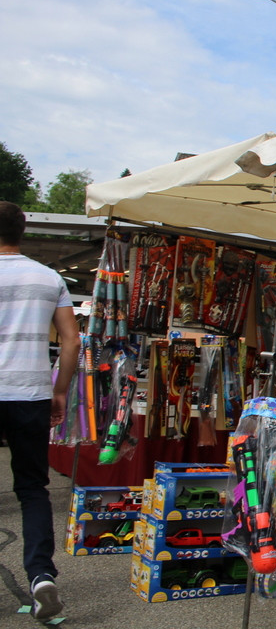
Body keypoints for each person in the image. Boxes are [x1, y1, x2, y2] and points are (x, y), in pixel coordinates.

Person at [0, 202, 79, 621]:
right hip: (29, 392)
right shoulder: (49, 278)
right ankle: (41, 577)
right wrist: (60, 390)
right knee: (32, 489)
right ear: (22, 231)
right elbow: (71, 341)